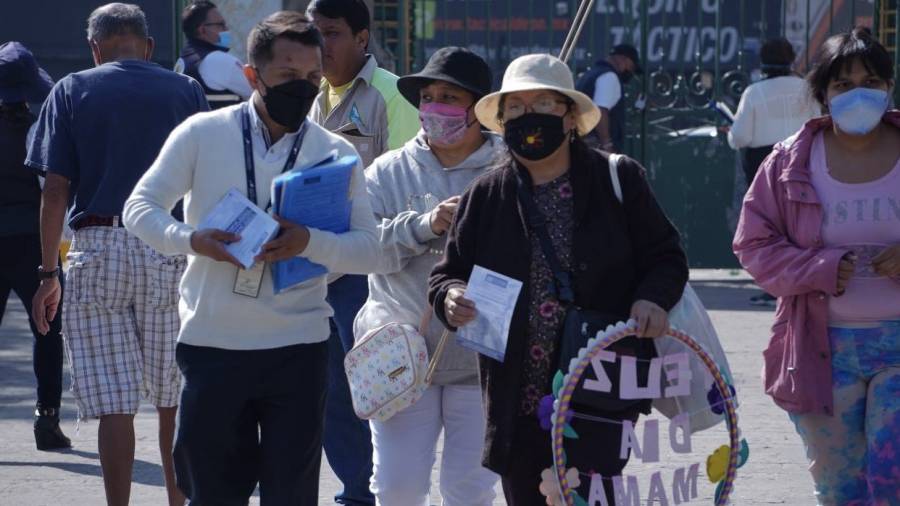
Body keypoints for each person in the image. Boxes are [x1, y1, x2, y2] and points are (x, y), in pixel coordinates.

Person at [122, 14, 379, 505]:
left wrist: (309, 242)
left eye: (312, 78)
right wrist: (192, 239)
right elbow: (140, 208)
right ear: (251, 76)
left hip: (299, 349)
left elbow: (369, 248)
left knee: (291, 495)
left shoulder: (335, 151)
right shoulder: (202, 132)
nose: (302, 89)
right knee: (212, 493)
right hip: (213, 346)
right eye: (287, 77)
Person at [428, 53, 688, 505]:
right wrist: (451, 298)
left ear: (570, 116)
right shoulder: (485, 196)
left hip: (601, 387)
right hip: (516, 398)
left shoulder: (616, 179)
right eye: (515, 108)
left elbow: (666, 257)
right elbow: (448, 274)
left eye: (544, 105)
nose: (528, 118)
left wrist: (652, 299)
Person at [26, 4, 208, 505]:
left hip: (97, 247)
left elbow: (56, 189)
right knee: (174, 397)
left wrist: (48, 273)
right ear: (149, 47)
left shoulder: (72, 89)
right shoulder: (186, 90)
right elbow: (207, 180)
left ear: (95, 48)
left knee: (112, 402)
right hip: (169, 243)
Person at [733, 28, 899, 505]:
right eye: (843, 84)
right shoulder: (789, 163)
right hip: (820, 349)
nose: (858, 93)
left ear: (888, 86)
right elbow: (753, 244)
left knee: (893, 483)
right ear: (823, 93)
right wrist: (819, 267)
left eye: (870, 80)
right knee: (840, 489)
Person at [354, 46, 500, 505]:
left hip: (482, 359)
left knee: (469, 489)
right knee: (397, 487)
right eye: (428, 96)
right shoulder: (386, 171)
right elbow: (360, 250)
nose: (435, 107)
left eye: (450, 97)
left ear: (478, 109)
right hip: (398, 355)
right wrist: (424, 224)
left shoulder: (507, 174)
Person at [306, 1, 420, 504]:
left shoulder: (390, 95)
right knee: (327, 392)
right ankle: (356, 492)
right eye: (313, 33)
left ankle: (378, 488)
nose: (320, 45)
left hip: (369, 275)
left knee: (374, 386)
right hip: (314, 270)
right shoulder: (309, 97)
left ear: (363, 37)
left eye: (330, 33)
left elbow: (411, 186)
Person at [0, 41, 70, 452]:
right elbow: (53, 190)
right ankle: (48, 420)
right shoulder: (40, 127)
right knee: (47, 330)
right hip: (31, 242)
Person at [728, 37, 821, 307]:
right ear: (792, 59)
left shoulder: (754, 92)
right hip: (803, 159)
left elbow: (740, 138)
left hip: (764, 163)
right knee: (800, 223)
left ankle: (774, 287)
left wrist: (731, 135)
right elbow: (818, 121)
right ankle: (802, 281)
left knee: (769, 227)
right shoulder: (807, 88)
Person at [175, 0, 252, 108]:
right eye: (221, 25)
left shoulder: (182, 61)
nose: (226, 29)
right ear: (202, 30)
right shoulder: (219, 61)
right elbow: (259, 90)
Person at [575, 44, 643, 153]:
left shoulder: (590, 74)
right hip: (595, 147)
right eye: (632, 66)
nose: (631, 71)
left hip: (582, 143)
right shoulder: (609, 76)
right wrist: (607, 145)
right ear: (623, 59)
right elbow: (601, 111)